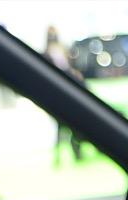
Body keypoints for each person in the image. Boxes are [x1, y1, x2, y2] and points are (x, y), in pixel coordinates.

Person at [43, 26, 84, 165]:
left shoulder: (63, 49)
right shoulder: (46, 53)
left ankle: (77, 154)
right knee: (60, 129)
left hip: (69, 91)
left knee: (73, 126)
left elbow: (71, 66)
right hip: (57, 94)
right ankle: (58, 158)